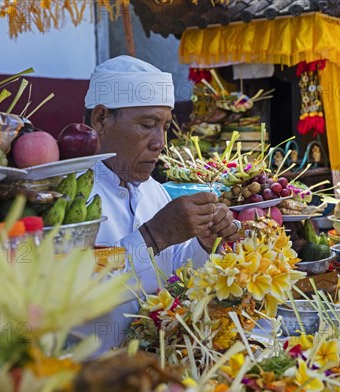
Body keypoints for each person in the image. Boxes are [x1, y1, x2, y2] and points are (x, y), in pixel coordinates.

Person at [76, 56, 240, 353]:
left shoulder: (154, 192)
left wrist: (204, 243)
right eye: (148, 125)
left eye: (164, 127)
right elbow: (75, 285)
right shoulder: (67, 193)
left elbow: (175, 272)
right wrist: (154, 236)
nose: (160, 142)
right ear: (100, 119)